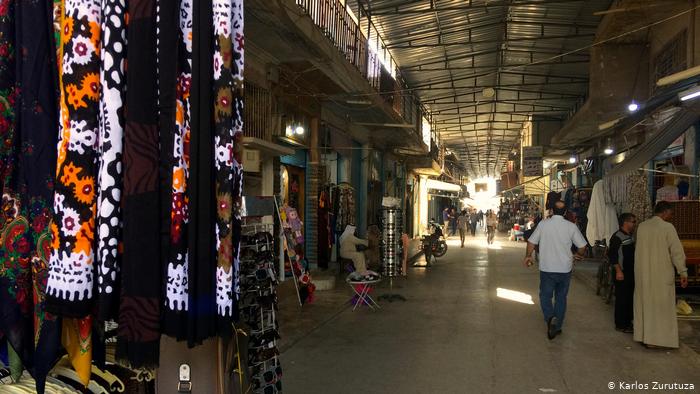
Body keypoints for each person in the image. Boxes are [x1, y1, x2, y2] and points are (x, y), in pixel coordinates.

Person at [524, 200, 588, 340]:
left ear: (551, 210)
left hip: (547, 268)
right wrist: (578, 255)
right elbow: (582, 246)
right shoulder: (571, 227)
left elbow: (531, 241)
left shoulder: (543, 224)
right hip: (565, 269)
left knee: (545, 296)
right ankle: (557, 326)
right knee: (561, 297)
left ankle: (549, 317)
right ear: (565, 212)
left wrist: (528, 256)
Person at [633, 201, 688, 349]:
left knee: (645, 304)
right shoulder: (667, 228)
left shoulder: (642, 227)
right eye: (670, 214)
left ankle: (644, 336)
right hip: (661, 274)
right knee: (661, 307)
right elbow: (677, 252)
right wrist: (682, 271)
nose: (671, 216)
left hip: (643, 274)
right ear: (664, 212)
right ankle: (658, 341)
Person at [608, 213, 637, 333]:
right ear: (625, 222)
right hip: (622, 273)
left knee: (629, 298)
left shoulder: (629, 236)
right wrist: (619, 271)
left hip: (630, 273)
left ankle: (627, 322)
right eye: (633, 221)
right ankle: (620, 324)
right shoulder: (617, 237)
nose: (634, 224)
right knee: (622, 299)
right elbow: (613, 256)